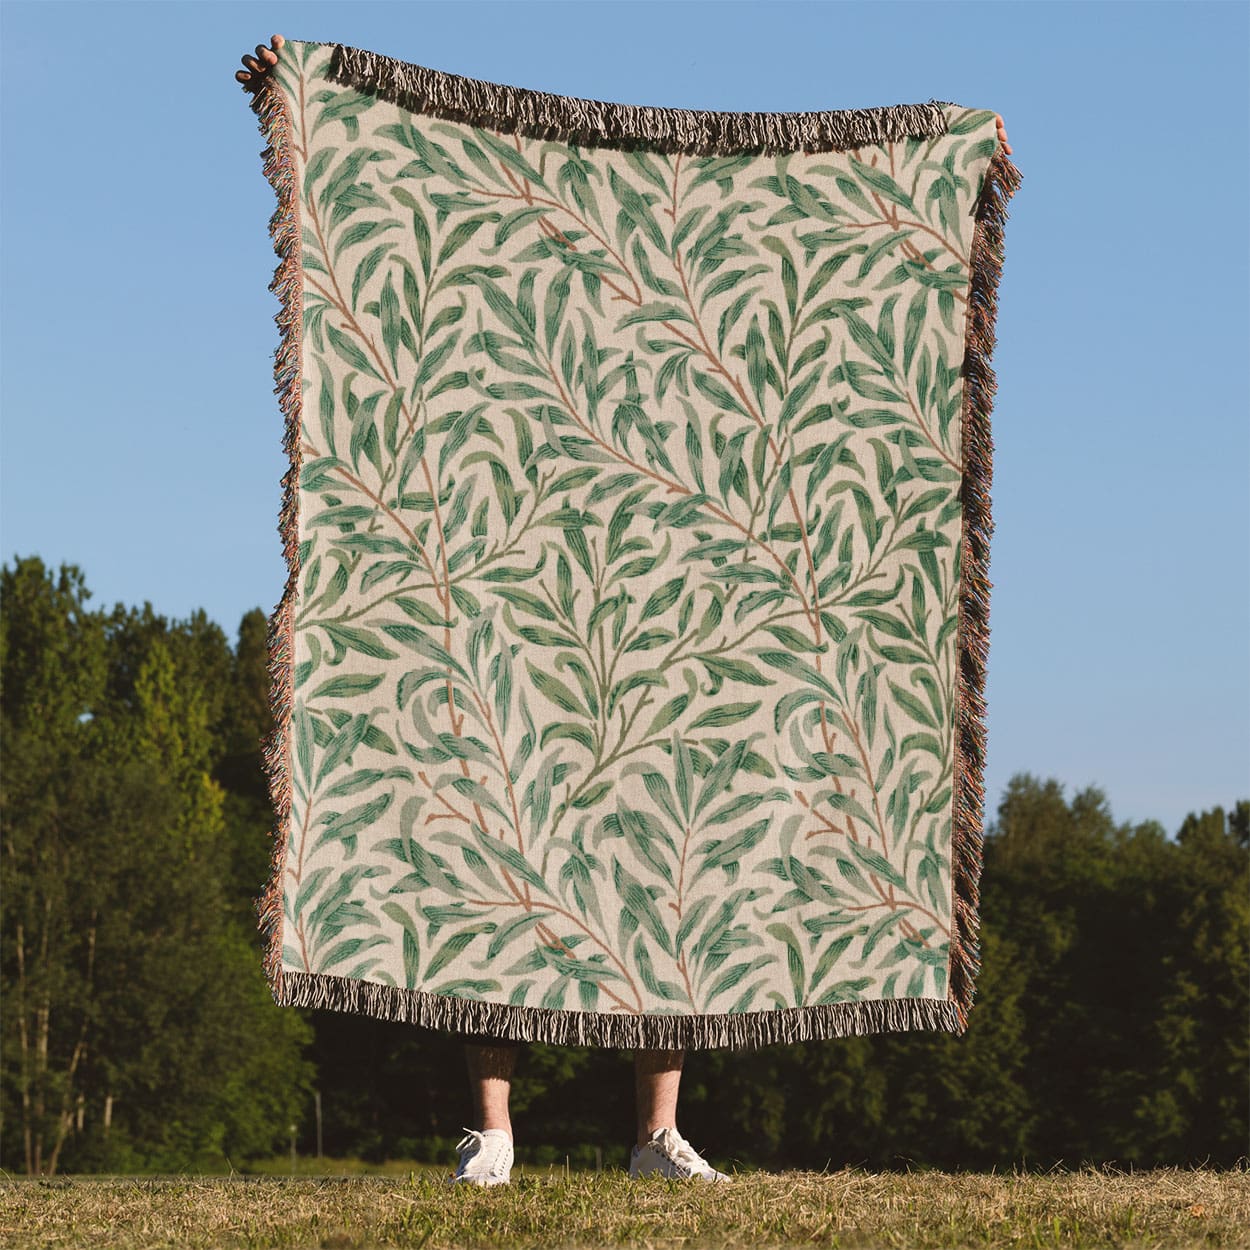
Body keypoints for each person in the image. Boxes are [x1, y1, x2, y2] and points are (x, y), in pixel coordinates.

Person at [235, 34, 1012, 1186]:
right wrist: (301, 77)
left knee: (667, 854)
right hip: (523, 583)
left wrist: (953, 157)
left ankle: (655, 1133)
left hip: (677, 590)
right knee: (489, 829)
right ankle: (492, 1129)